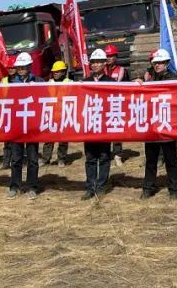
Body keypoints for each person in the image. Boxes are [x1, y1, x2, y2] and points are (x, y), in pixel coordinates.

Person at [138, 49, 177, 200]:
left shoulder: (173, 78)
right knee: (151, 159)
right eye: (155, 63)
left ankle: (175, 189)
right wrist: (140, 82)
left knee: (171, 159)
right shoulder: (148, 77)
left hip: (167, 124)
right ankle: (148, 188)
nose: (157, 65)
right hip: (152, 124)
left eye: (161, 63)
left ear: (167, 63)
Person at [8, 52, 43, 199]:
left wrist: (36, 89)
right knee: (16, 158)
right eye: (19, 67)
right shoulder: (11, 83)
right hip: (17, 126)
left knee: (32, 158)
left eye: (23, 67)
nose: (21, 69)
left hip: (32, 126)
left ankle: (32, 187)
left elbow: (45, 100)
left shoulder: (39, 81)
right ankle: (15, 186)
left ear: (29, 66)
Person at [80, 50, 113, 199]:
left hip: (105, 125)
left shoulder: (111, 82)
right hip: (90, 125)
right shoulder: (85, 82)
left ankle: (101, 186)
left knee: (104, 157)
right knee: (90, 158)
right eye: (93, 62)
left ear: (104, 63)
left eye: (98, 62)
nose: (95, 65)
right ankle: (90, 187)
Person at [41, 60, 72, 167]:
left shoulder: (69, 83)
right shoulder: (49, 83)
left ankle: (61, 159)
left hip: (64, 114)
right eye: (54, 71)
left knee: (63, 139)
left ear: (63, 72)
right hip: (51, 114)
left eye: (58, 71)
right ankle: (46, 159)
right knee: (48, 139)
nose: (55, 73)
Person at [103, 44, 128, 165]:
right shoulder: (100, 70)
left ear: (116, 57)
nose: (109, 58)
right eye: (107, 56)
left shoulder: (122, 71)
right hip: (103, 104)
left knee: (117, 130)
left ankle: (117, 155)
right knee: (104, 130)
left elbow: (128, 87)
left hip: (117, 104)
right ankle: (105, 154)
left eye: (111, 56)